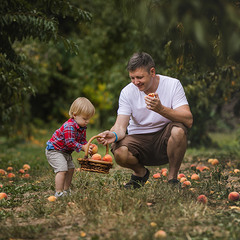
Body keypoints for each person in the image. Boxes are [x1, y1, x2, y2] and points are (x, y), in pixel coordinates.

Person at [98, 52, 193, 189]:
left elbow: (188, 120)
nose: (136, 82)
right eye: (132, 78)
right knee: (119, 152)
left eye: (140, 77)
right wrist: (114, 134)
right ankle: (140, 173)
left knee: (179, 131)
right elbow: (120, 125)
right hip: (139, 140)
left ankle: (172, 179)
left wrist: (161, 109)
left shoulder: (172, 84)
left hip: (164, 140)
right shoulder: (127, 92)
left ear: (152, 72)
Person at [45, 97, 95, 197]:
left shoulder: (82, 127)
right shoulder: (69, 126)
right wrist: (83, 147)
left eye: (88, 119)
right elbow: (70, 142)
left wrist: (88, 146)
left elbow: (82, 141)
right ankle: (58, 192)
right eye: (85, 119)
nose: (87, 121)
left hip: (65, 152)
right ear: (75, 115)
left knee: (71, 168)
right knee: (62, 169)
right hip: (54, 150)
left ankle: (66, 190)